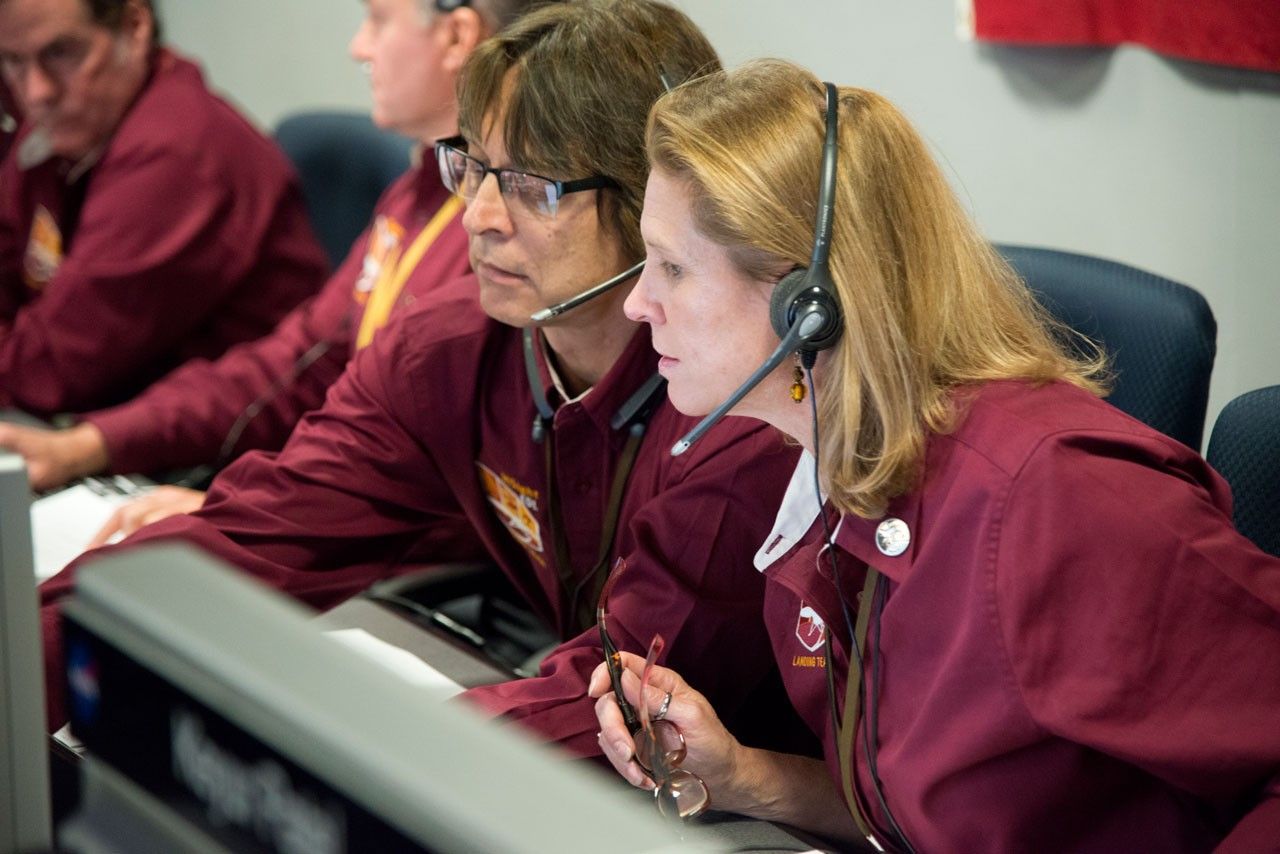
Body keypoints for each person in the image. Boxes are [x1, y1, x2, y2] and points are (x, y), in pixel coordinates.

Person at [41, 0, 815, 769]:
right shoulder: (444, 348)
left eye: (532, 186)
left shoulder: (744, 406)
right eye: (471, 165)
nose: (478, 217)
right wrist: (33, 647)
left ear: (653, 202)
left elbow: (623, 699)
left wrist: (342, 758)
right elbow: (254, 536)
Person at [592, 59, 1280, 850]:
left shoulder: (1056, 498)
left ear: (807, 304)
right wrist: (748, 779)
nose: (636, 303)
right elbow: (925, 814)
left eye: (672, 267)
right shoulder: (831, 475)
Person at [0, 0, 531, 542]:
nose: (358, 47)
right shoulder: (416, 189)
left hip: (413, 555)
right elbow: (296, 365)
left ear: (457, 36)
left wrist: (247, 509)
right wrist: (96, 442)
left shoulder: (501, 232)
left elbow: (460, 485)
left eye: (376, 19)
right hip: (335, 502)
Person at [0, 0, 327, 418]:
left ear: (135, 26)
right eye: (12, 62)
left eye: (62, 53)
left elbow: (51, 369)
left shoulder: (179, 153)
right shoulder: (59, 131)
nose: (35, 92)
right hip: (117, 421)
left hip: (224, 451)